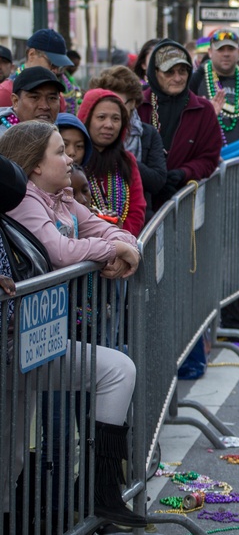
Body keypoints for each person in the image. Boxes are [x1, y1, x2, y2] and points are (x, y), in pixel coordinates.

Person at [0, 121, 144, 527]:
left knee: (117, 369)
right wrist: (113, 249)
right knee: (7, 453)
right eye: (60, 151)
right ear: (33, 167)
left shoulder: (61, 197)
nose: (71, 158)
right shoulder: (24, 198)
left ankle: (103, 491)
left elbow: (111, 230)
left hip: (35, 342)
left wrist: (124, 247)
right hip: (13, 343)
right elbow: (61, 251)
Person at [137, 40, 222, 209]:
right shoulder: (138, 105)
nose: (177, 78)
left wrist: (184, 173)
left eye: (183, 71)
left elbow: (209, 157)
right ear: (154, 72)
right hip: (142, 199)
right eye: (169, 72)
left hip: (185, 200)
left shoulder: (203, 110)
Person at [88, 66, 168, 223]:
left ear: (132, 103)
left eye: (116, 101)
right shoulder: (83, 145)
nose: (109, 124)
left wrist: (122, 159)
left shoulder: (147, 134)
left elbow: (158, 179)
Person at [77, 90, 146, 236]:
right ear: (86, 119)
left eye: (116, 119)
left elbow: (137, 211)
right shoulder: (74, 159)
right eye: (101, 117)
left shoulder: (127, 161)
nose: (109, 125)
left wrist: (118, 236)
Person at [0, 28, 73, 108]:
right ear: (32, 54)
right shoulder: (6, 92)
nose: (55, 70)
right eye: (52, 63)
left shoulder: (56, 96)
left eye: (60, 66)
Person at [0, 66, 64, 135]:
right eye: (35, 97)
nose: (45, 106)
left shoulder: (63, 135)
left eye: (52, 98)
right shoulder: (3, 138)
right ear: (15, 101)